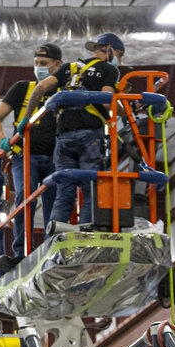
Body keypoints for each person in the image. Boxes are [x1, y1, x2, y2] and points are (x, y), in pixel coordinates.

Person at [0, 42, 69, 264]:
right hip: (25, 156)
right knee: (25, 199)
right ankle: (22, 254)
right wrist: (3, 140)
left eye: (43, 63)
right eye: (36, 63)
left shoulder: (66, 92)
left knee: (56, 203)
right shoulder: (23, 88)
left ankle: (55, 251)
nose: (39, 67)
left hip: (56, 157)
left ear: (57, 65)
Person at [47, 32, 125, 230]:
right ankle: (85, 236)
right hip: (89, 133)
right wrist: (126, 113)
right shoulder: (109, 69)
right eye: (119, 55)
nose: (119, 61)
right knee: (91, 189)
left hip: (63, 134)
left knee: (64, 190)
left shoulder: (68, 68)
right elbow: (108, 100)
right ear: (110, 50)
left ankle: (54, 237)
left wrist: (25, 123)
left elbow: (41, 88)